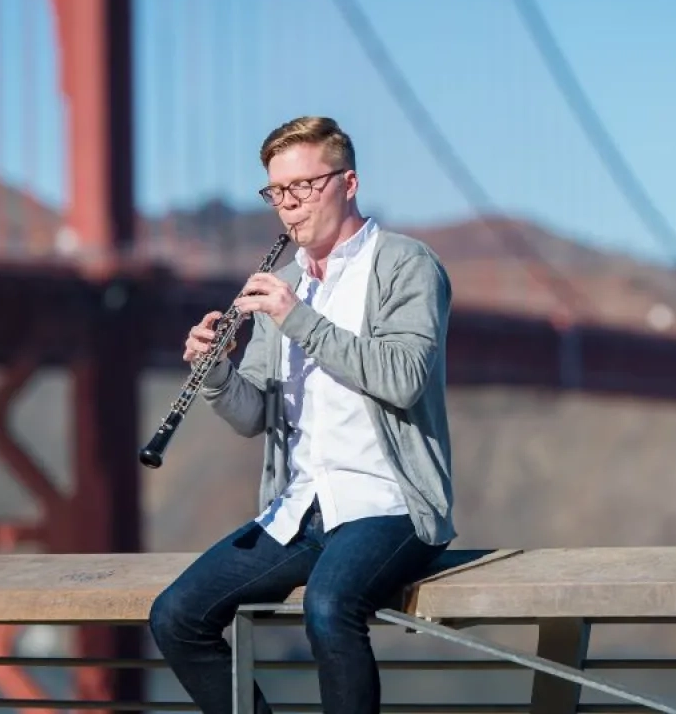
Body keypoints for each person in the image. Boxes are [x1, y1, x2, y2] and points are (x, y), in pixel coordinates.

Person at [149, 115, 455, 714]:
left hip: (389, 505)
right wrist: (215, 374)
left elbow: (403, 377)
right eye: (276, 193)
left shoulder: (405, 266)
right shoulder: (284, 283)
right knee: (176, 615)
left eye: (303, 187)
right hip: (300, 508)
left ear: (348, 183)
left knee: (328, 606)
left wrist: (299, 320)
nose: (288, 207)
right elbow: (254, 414)